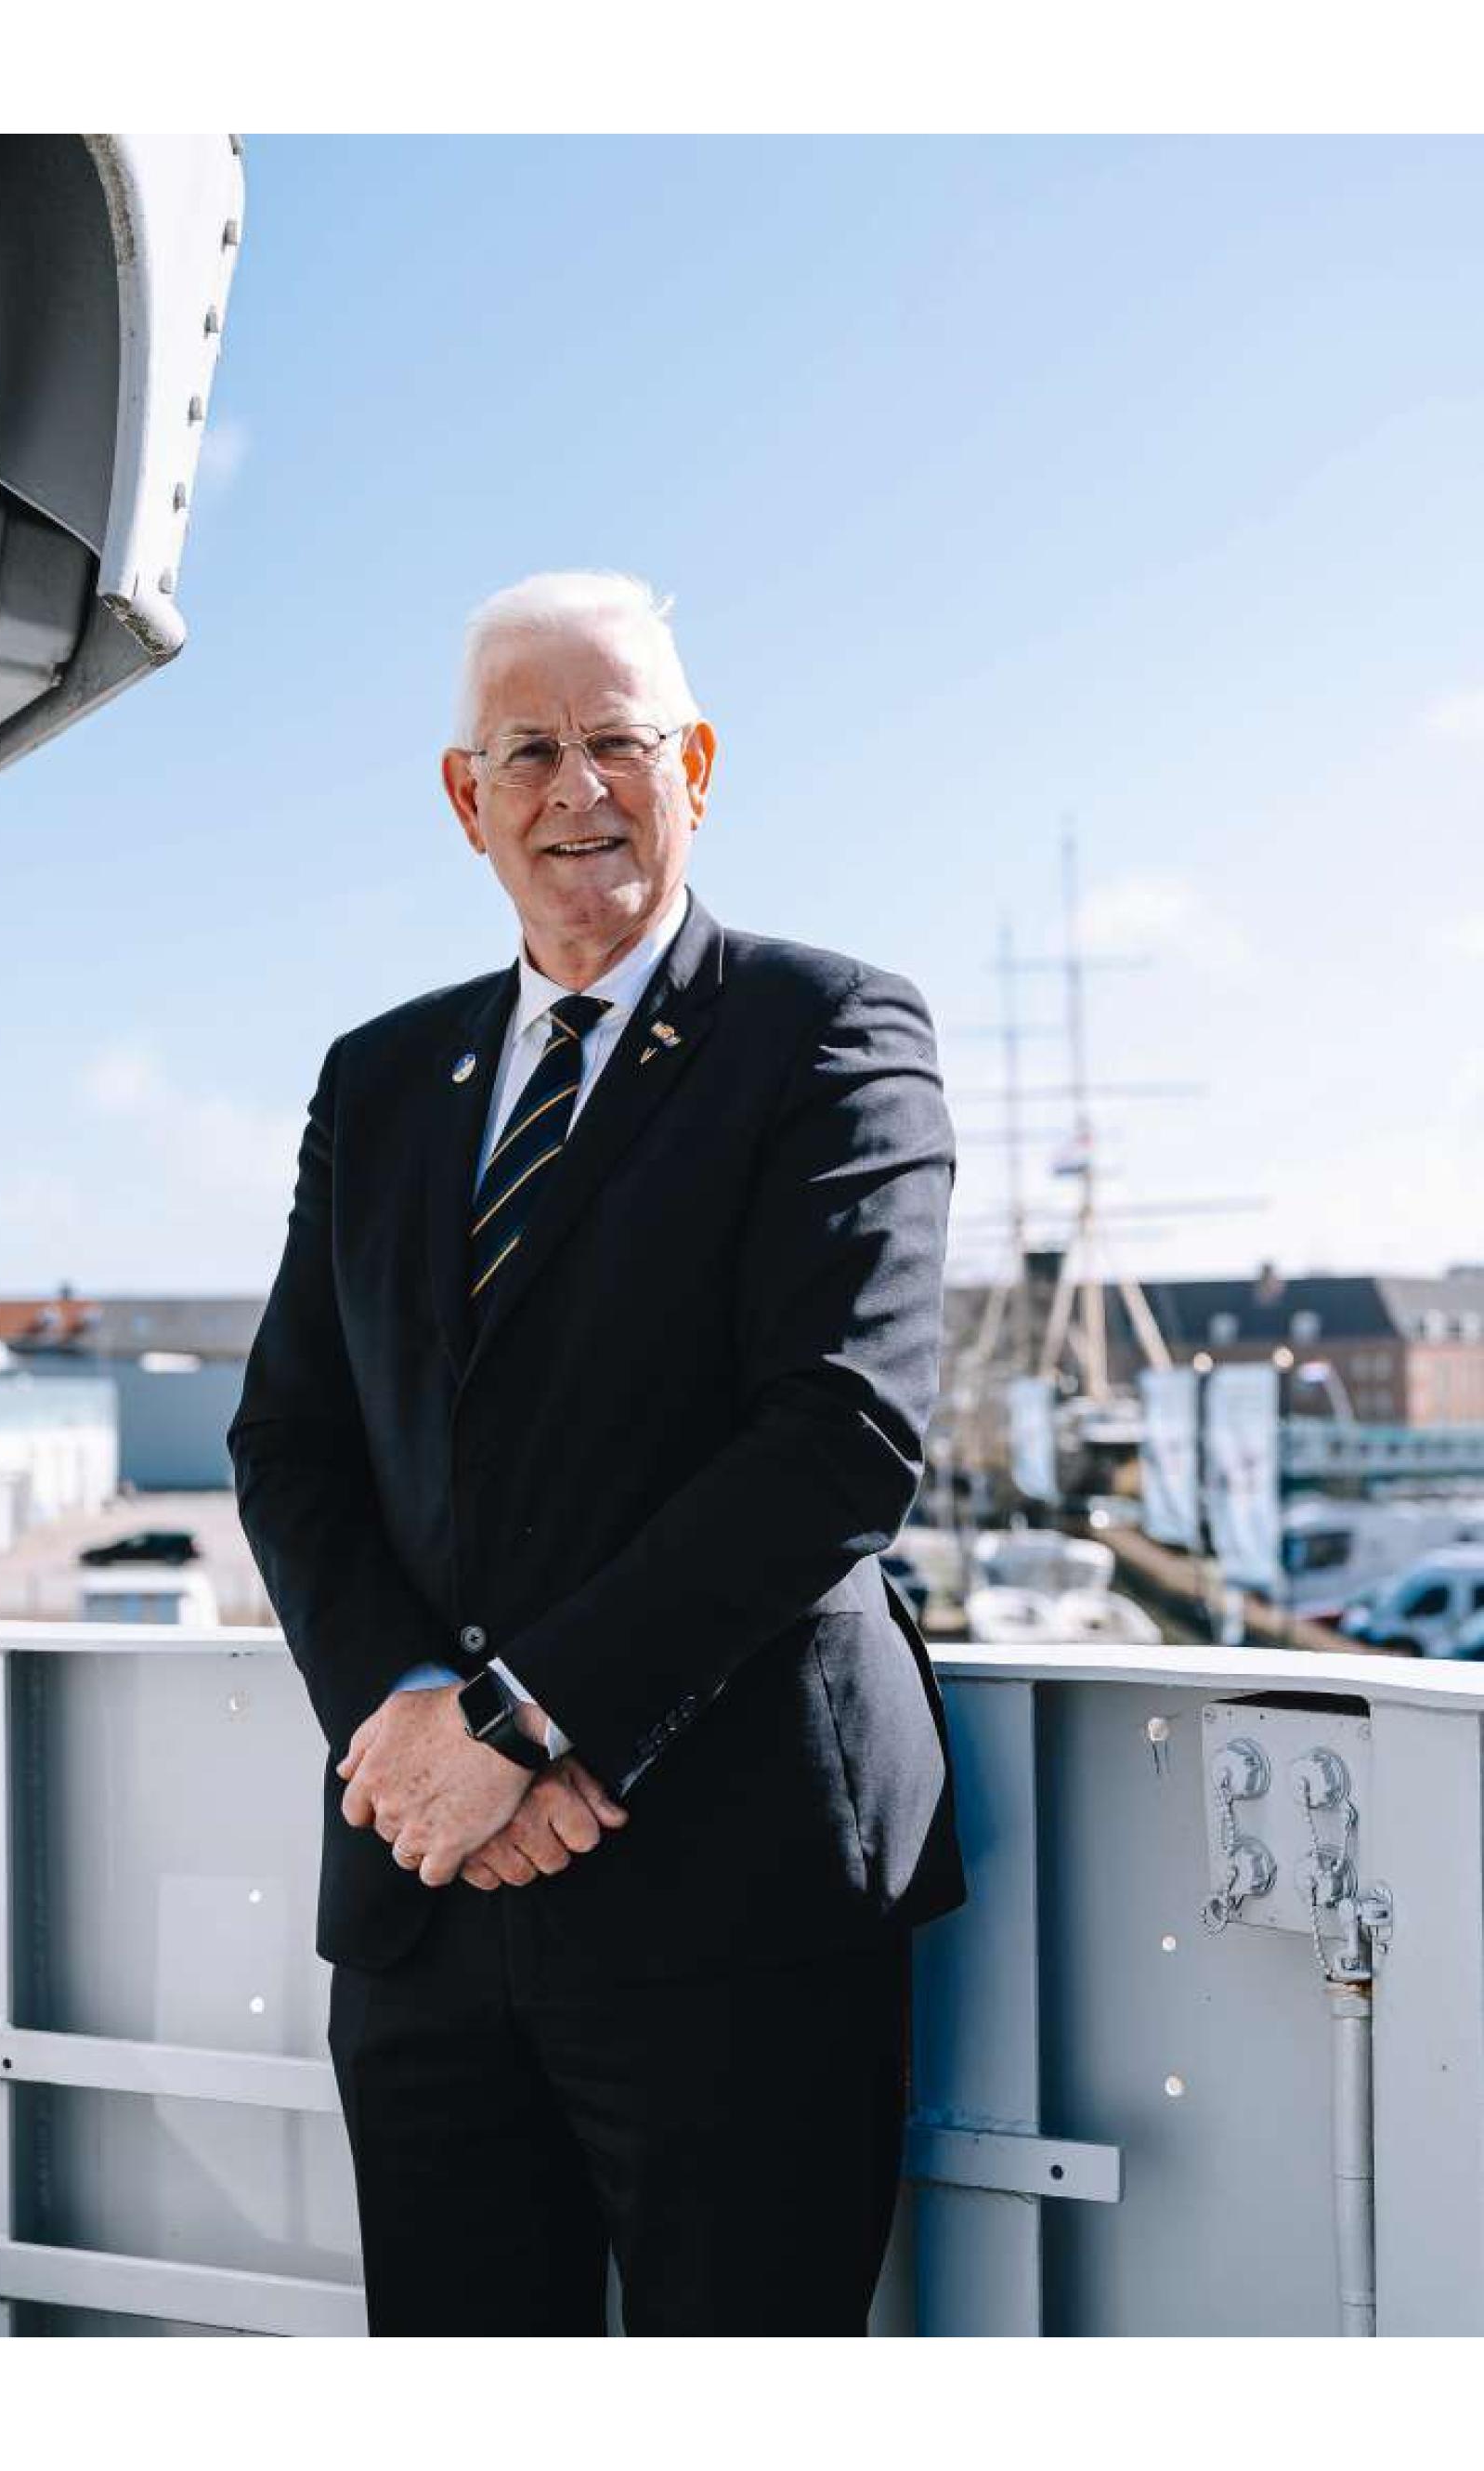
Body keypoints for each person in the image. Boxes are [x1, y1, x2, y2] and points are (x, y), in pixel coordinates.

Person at [228, 570, 963, 2335]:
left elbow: (842, 1436)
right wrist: (416, 1721)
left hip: (736, 1899)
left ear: (693, 765)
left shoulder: (827, 1032)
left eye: (618, 742)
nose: (578, 790)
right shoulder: (379, 1078)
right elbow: (289, 1441)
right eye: (529, 751)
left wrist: (519, 1728)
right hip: (427, 1906)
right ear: (463, 796)